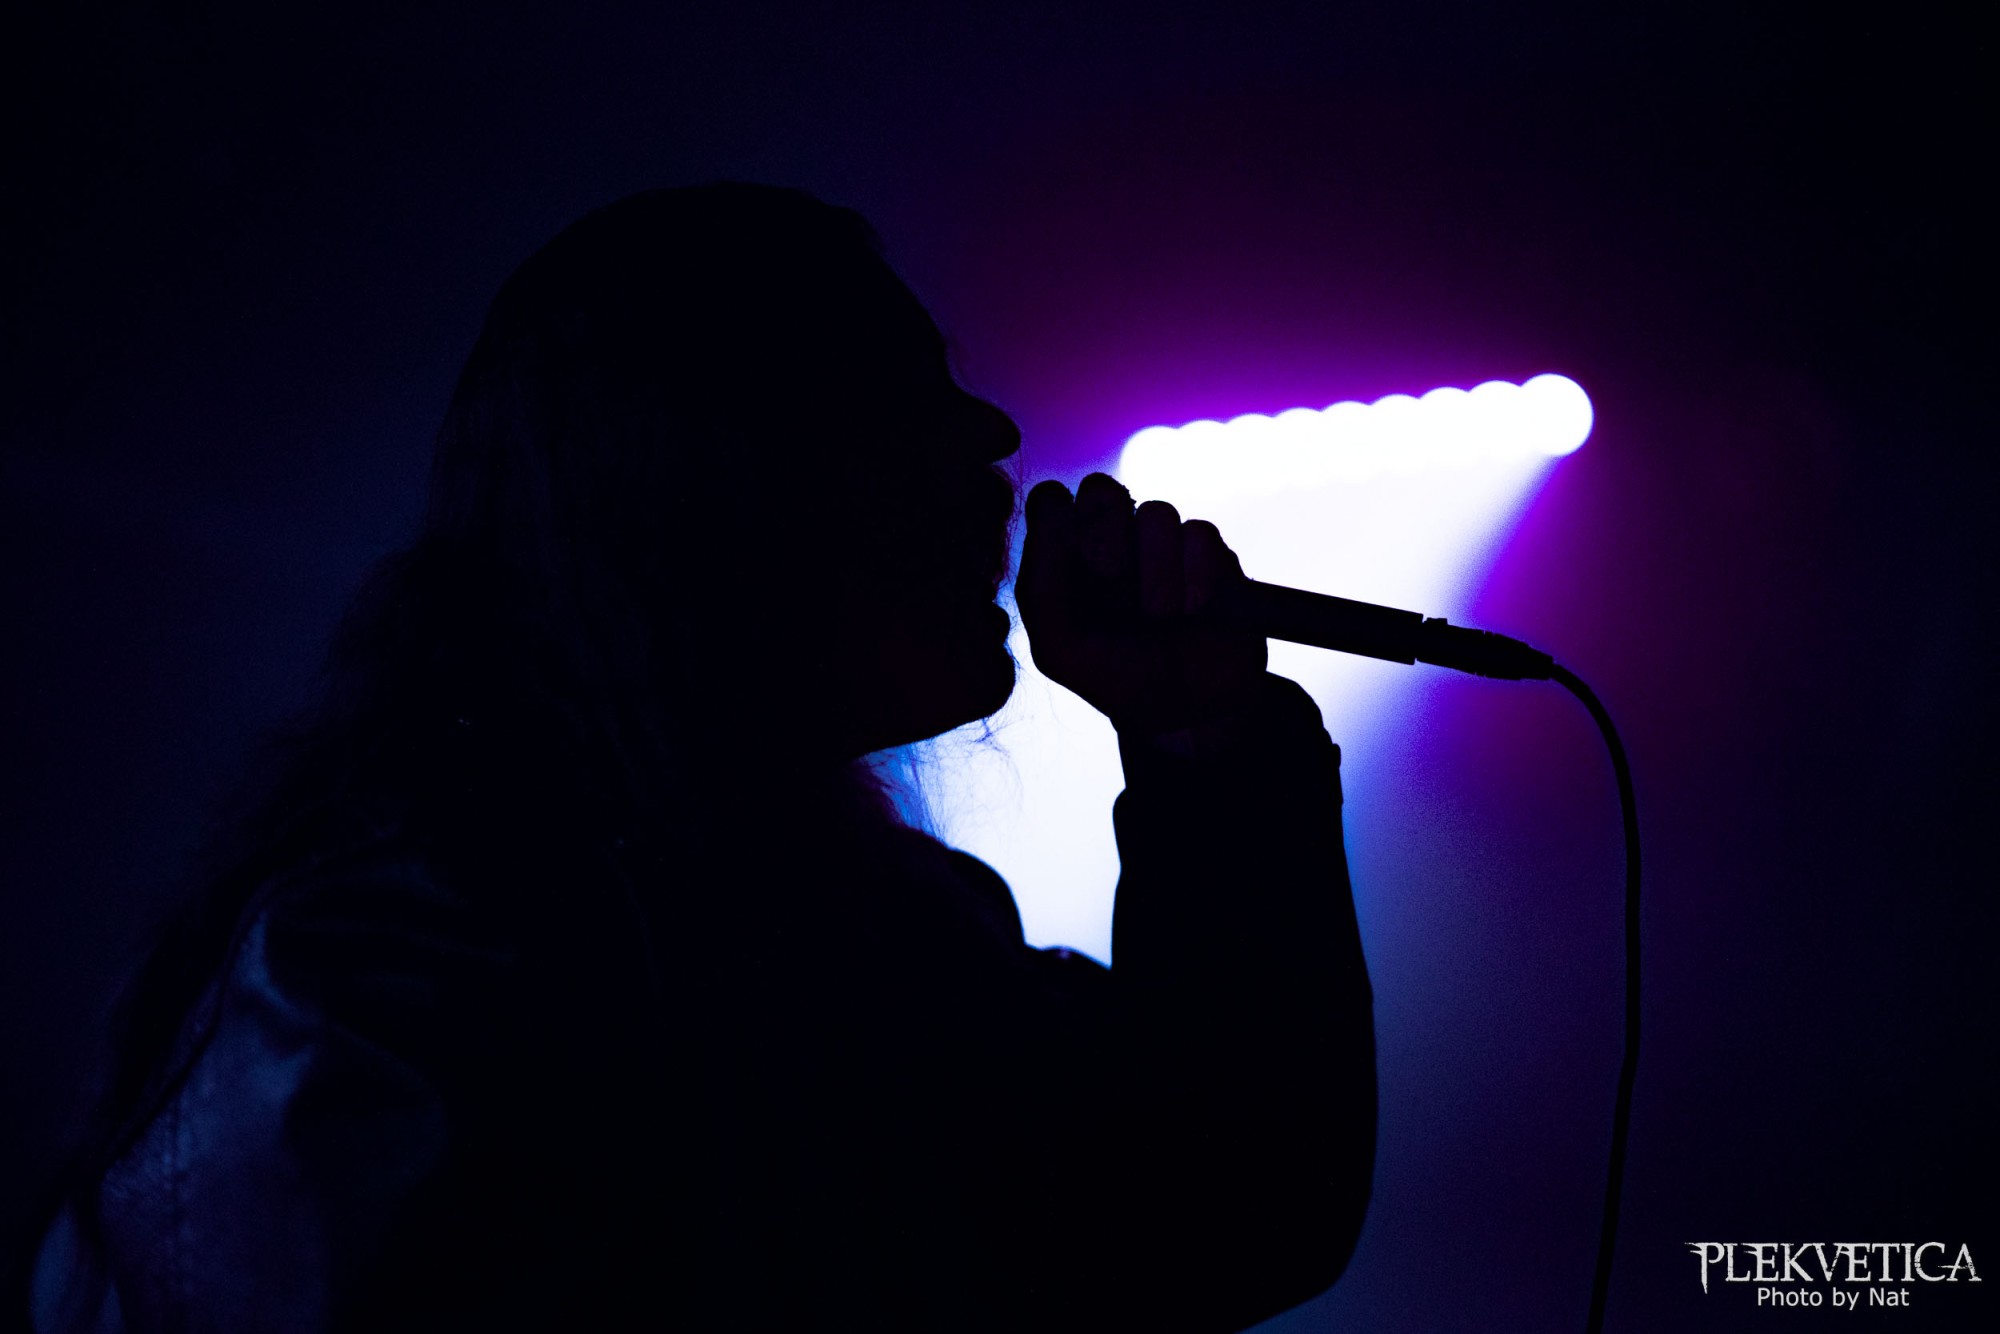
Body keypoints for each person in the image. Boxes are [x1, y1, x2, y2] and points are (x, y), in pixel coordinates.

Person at [21, 184, 1375, 1332]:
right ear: (714, 482)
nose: (992, 439)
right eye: (901, 397)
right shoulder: (381, 984)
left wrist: (1202, 742)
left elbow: (1223, 1208)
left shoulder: (894, 940)